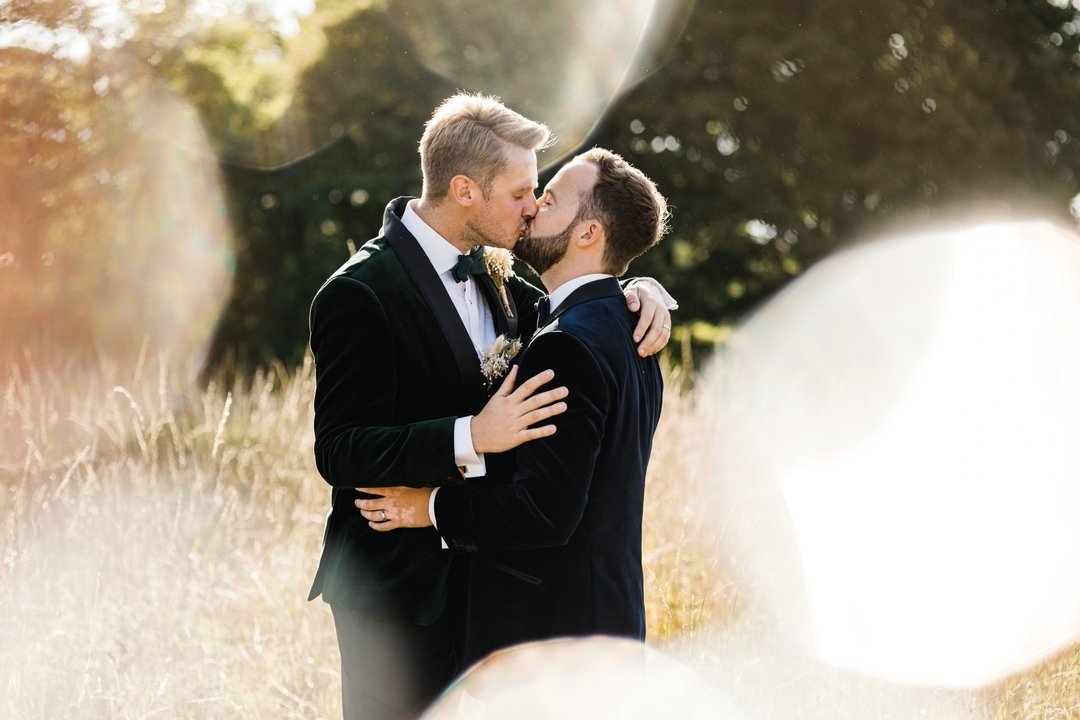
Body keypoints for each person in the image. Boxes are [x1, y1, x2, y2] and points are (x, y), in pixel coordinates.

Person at [308, 94, 674, 720]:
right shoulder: (358, 294)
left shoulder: (498, 270)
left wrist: (642, 290)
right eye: (521, 192)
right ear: (465, 191)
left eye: (541, 193)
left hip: (489, 590)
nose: (533, 207)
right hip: (400, 592)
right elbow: (339, 449)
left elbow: (577, 300)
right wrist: (470, 435)